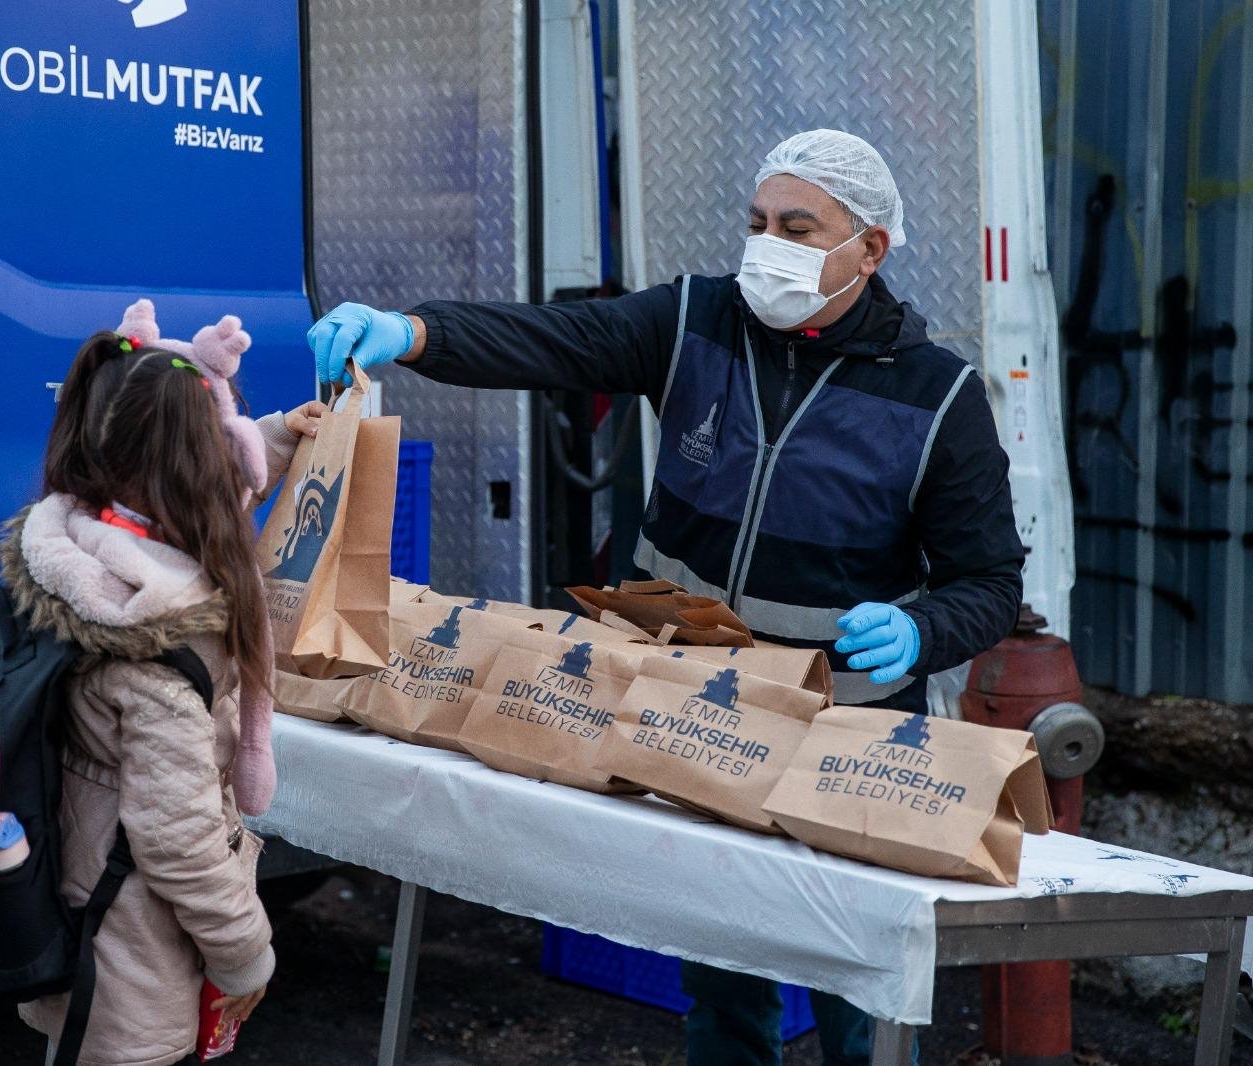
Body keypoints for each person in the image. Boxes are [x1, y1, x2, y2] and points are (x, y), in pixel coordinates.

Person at [307, 130, 1023, 1065]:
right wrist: (414, 333)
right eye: (756, 223)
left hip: (848, 737)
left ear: (870, 248)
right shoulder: (694, 323)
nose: (766, 246)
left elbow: (990, 581)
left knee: (859, 993)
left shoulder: (939, 397)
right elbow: (555, 339)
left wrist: (921, 630)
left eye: (797, 228)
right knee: (724, 979)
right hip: (701, 718)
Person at [2, 298, 327, 1066]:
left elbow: (203, 490)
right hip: (128, 962)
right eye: (226, 440)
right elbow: (179, 845)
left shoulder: (88, 533)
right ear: (197, 470)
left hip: (81, 905)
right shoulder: (157, 657)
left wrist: (278, 434)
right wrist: (247, 956)